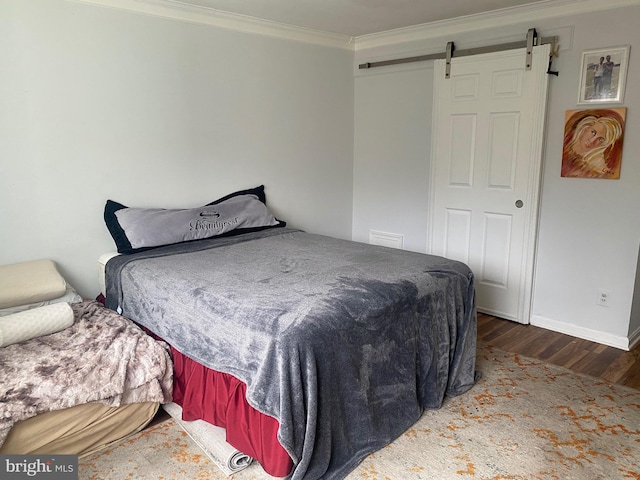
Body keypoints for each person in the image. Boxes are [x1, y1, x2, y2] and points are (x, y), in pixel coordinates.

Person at [561, 109, 625, 179]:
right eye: (593, 132)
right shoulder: (565, 145)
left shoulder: (597, 164)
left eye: (600, 139)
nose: (592, 141)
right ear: (586, 127)